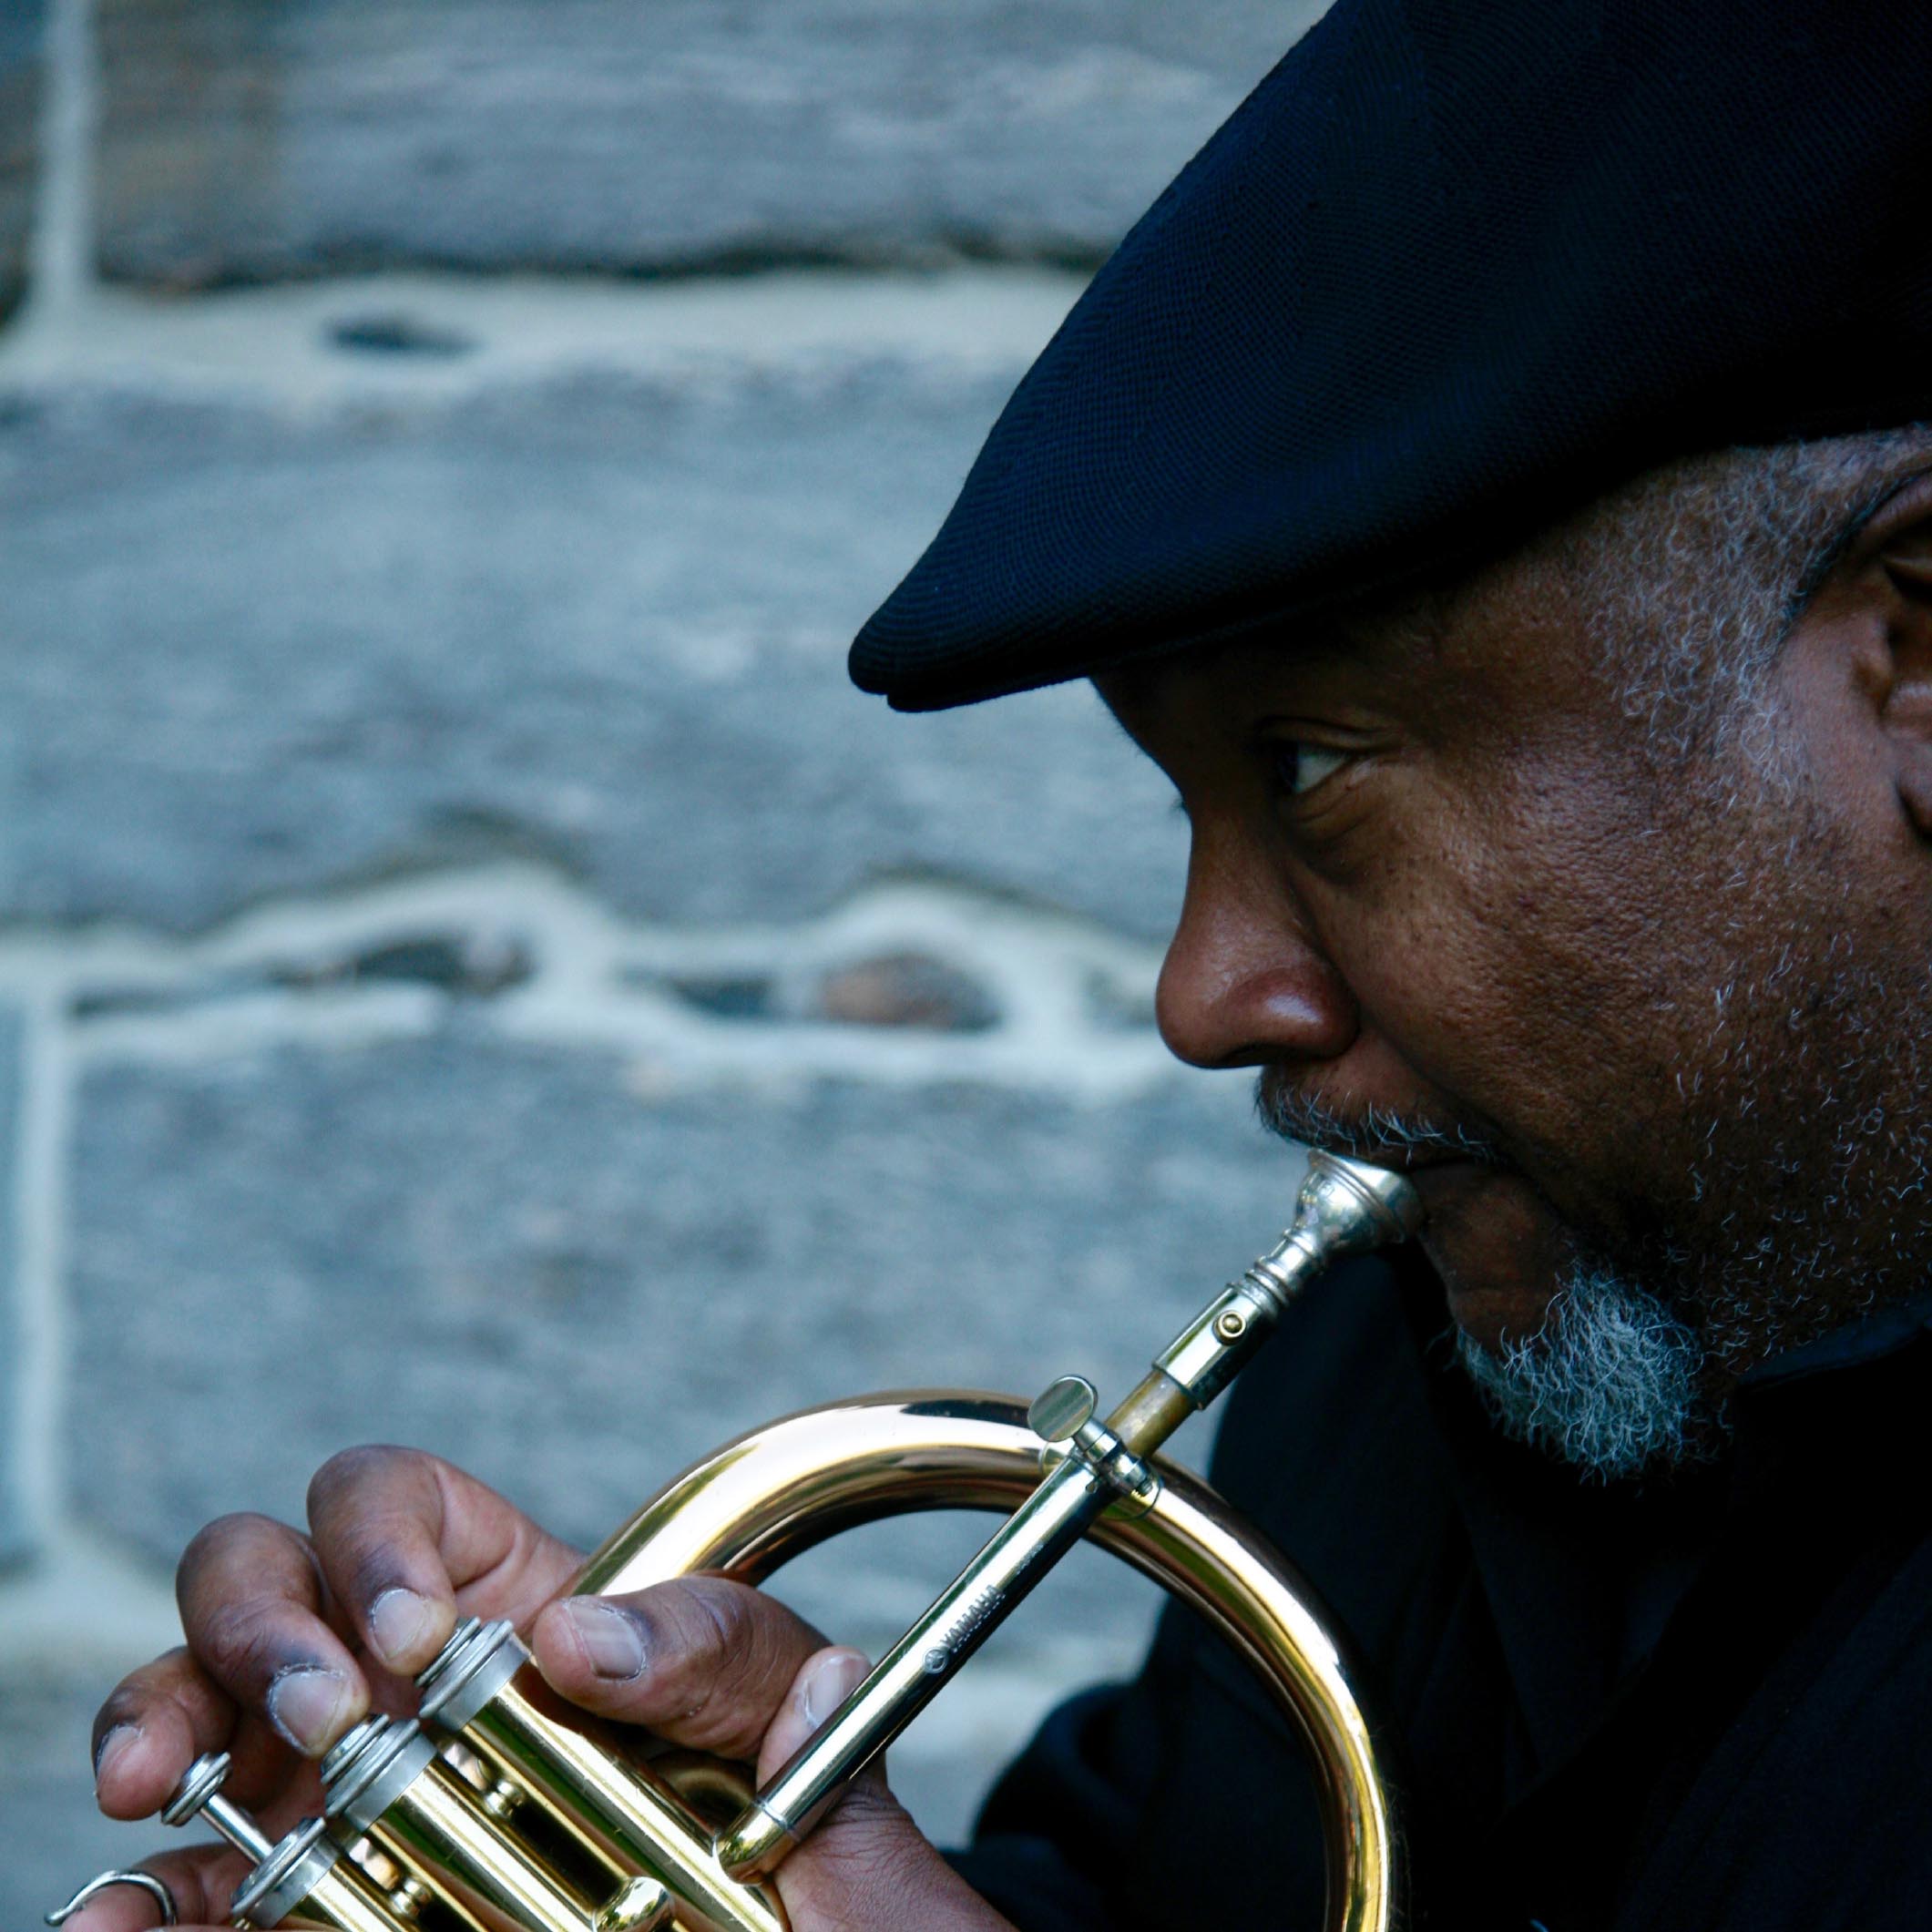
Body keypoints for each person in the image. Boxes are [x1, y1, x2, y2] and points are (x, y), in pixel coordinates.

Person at [70, 0, 1932, 1927]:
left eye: (1311, 771)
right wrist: (641, 1842)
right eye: (1177, 808)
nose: (1204, 995)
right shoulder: (1404, 1376)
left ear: (1910, 646)